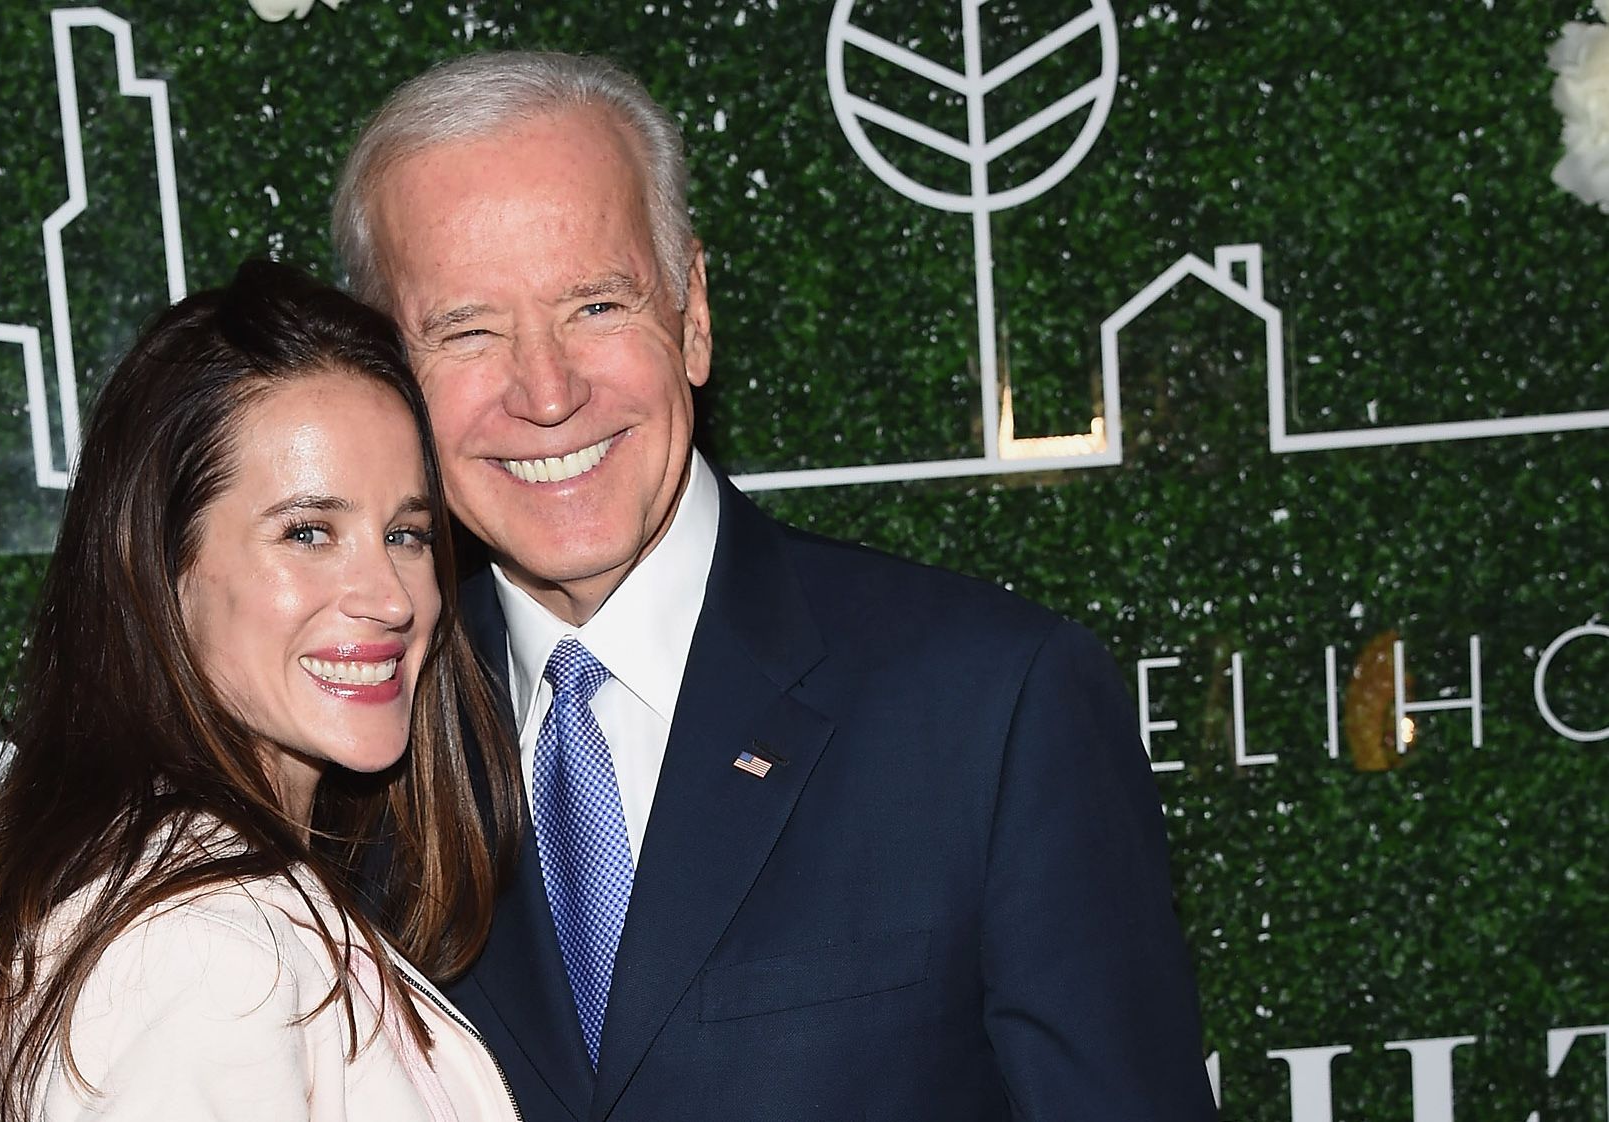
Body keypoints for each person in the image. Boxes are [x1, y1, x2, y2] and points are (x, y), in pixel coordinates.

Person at [332, 52, 1219, 1120]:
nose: (546, 391)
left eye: (597, 304)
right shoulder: (351, 755)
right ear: (383, 374)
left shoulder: (989, 707)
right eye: (466, 329)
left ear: (691, 314)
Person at [0, 260, 525, 1122]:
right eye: (307, 532)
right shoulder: (214, 957)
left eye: (406, 533)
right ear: (164, 567)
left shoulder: (162, 894)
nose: (391, 597)